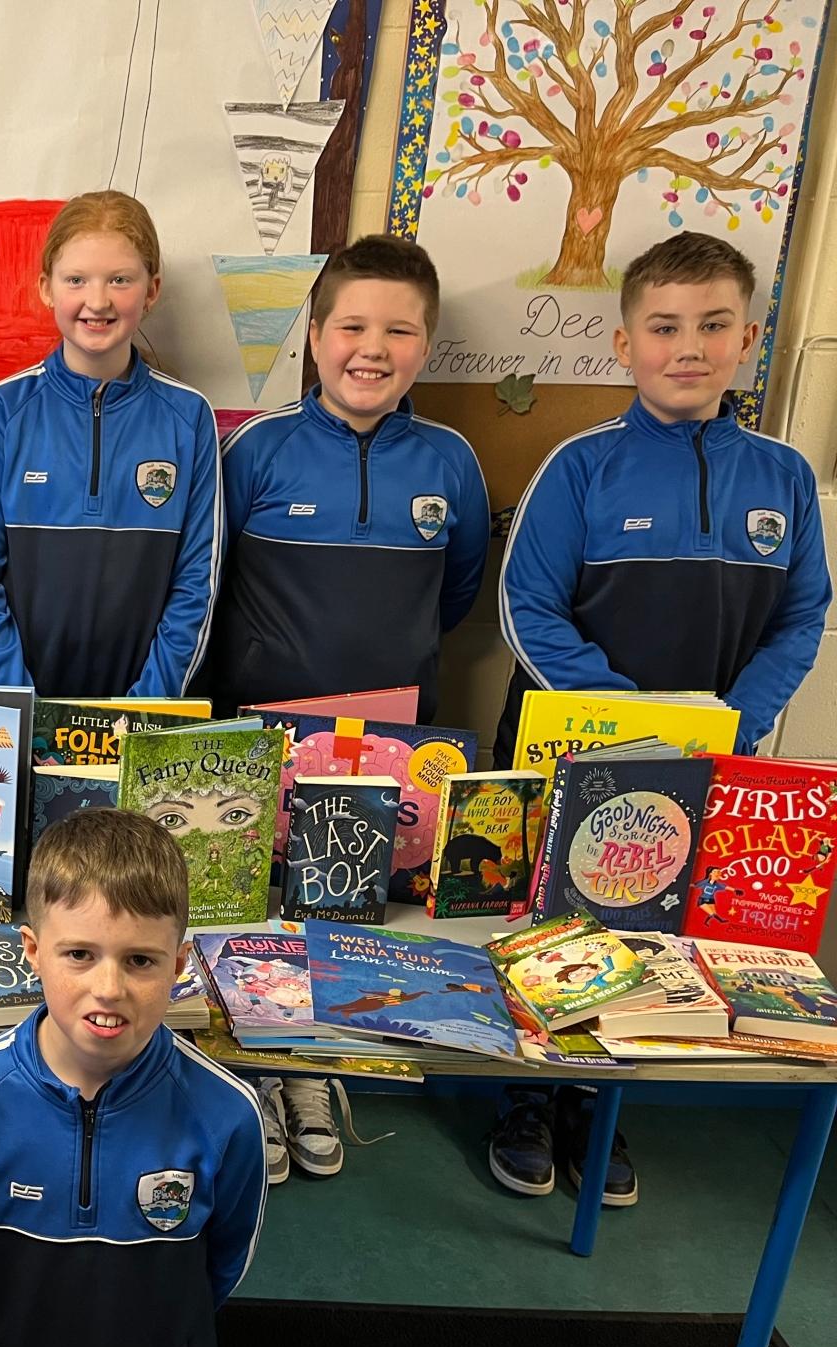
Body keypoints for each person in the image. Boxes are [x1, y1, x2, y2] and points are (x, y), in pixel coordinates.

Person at [491, 231, 833, 1205]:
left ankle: (598, 1103)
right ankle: (525, 1098)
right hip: (578, 751)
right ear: (625, 343)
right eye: (665, 327)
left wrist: (734, 719)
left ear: (749, 340)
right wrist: (633, 721)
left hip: (714, 754)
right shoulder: (580, 466)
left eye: (714, 326)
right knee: (554, 923)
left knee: (654, 933)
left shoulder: (783, 477)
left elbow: (805, 613)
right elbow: (527, 608)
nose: (689, 347)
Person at [0, 808, 264, 1347]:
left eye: (140, 960)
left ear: (179, 963)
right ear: (33, 951)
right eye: (80, 954)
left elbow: (222, 1267)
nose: (108, 988)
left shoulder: (225, 1113)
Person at [0, 190, 222, 697]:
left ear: (152, 290)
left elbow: (195, 583)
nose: (98, 301)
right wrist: (19, 704)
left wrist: (146, 710)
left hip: (141, 716)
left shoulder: (189, 418)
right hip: (25, 711)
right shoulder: (1, 412)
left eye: (120, 279)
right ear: (46, 288)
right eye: (76, 280)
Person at [199, 234, 489, 721]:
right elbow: (205, 582)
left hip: (396, 735)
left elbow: (457, 593)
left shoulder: (452, 460)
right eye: (353, 327)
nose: (373, 349)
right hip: (258, 728)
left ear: (426, 348)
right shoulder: (255, 449)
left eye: (399, 332)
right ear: (315, 338)